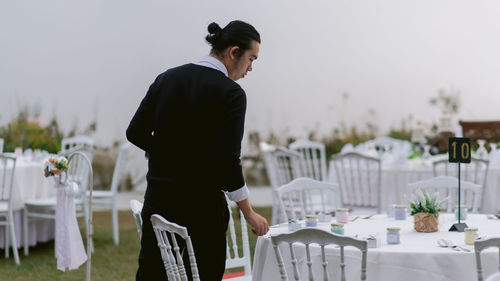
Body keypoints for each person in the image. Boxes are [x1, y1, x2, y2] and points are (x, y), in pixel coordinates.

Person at [126, 20, 269, 281]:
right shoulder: (231, 94)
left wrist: (168, 153)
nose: (250, 68)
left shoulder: (167, 78)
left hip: (159, 202)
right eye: (251, 59)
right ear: (234, 52)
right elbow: (228, 161)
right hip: (203, 212)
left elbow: (134, 132)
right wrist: (248, 212)